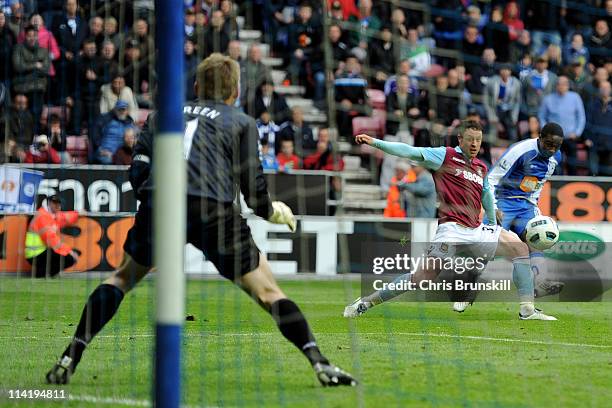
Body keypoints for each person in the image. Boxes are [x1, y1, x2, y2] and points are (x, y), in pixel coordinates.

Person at [46, 53, 356, 387]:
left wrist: (155, 202)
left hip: (161, 204)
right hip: (213, 211)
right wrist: (273, 211)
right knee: (268, 292)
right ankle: (320, 363)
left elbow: (137, 172)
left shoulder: (161, 115)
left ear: (196, 85)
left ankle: (71, 353)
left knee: (120, 279)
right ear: (235, 91)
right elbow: (254, 191)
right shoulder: (241, 122)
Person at [344, 120, 557, 321]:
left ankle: (527, 309)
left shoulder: (480, 167)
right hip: (451, 230)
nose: (475, 144)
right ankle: (365, 303)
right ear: (460, 139)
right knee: (422, 278)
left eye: (478, 140)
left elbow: (486, 196)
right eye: (470, 139)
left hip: (476, 229)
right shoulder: (444, 156)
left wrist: (491, 221)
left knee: (519, 248)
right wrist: (375, 143)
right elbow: (410, 151)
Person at [452, 122, 565, 312]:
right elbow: (492, 178)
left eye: (556, 146)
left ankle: (538, 284)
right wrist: (492, 208)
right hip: (502, 202)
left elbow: (538, 185)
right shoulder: (521, 150)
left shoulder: (556, 158)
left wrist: (534, 209)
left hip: (526, 205)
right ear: (539, 138)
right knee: (484, 247)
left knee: (537, 242)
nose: (551, 149)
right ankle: (467, 292)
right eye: (548, 144)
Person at [538, 76, 586, 175]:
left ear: (568, 86)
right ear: (556, 86)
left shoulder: (575, 97)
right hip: (553, 139)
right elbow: (541, 116)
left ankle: (572, 184)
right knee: (554, 164)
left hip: (571, 137)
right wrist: (547, 133)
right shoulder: (548, 99)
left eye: (564, 84)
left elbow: (581, 117)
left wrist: (577, 132)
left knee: (572, 165)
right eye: (559, 84)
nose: (561, 86)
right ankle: (555, 185)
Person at [25, 194, 79, 278]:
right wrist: (69, 251)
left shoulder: (50, 215)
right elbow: (51, 241)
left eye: (59, 203)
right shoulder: (43, 217)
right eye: (54, 203)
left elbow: (65, 217)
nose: (57, 206)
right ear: (48, 203)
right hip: (35, 253)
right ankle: (39, 274)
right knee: (69, 258)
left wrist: (78, 213)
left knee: (63, 256)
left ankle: (43, 272)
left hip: (40, 251)